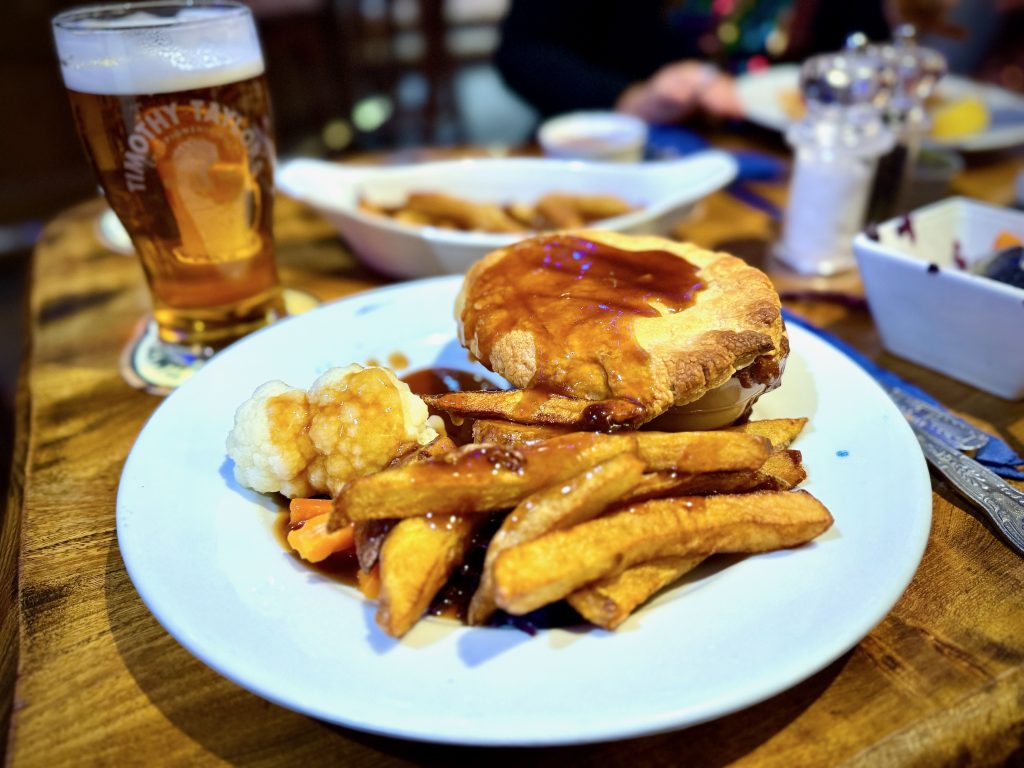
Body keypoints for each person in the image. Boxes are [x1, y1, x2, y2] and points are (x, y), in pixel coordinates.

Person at [494, 0, 893, 123]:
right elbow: (523, 50)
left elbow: (869, 54)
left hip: (789, 164)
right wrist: (628, 98)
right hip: (625, 149)